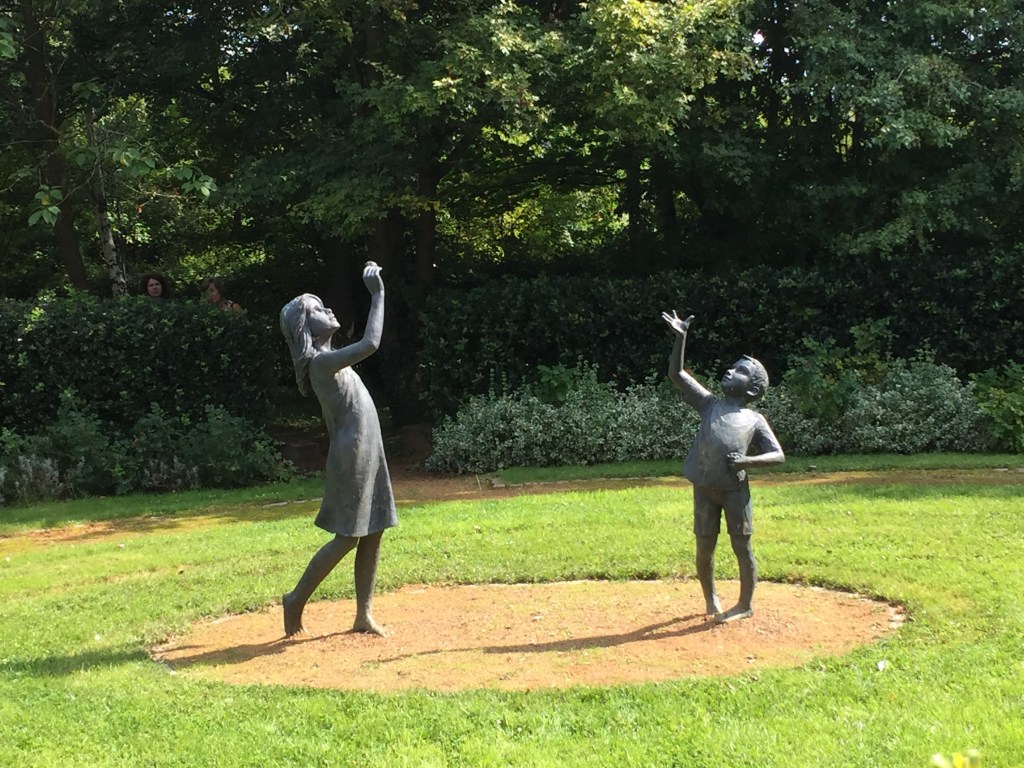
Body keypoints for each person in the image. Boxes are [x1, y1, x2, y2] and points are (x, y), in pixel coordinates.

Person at [278, 262, 397, 637]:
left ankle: (363, 615)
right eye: (316, 309)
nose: (327, 310)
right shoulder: (320, 364)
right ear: (303, 327)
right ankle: (295, 598)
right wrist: (377, 294)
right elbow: (371, 344)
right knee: (348, 536)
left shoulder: (331, 359)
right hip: (352, 455)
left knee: (374, 529)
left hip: (368, 450)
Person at [662, 310, 785, 623]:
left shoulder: (755, 419)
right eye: (732, 367)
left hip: (734, 491)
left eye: (739, 371)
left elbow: (777, 455)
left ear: (753, 390)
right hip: (704, 488)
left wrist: (747, 461)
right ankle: (711, 598)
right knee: (704, 546)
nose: (730, 371)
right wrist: (681, 338)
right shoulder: (709, 404)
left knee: (741, 546)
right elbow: (677, 375)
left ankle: (745, 604)